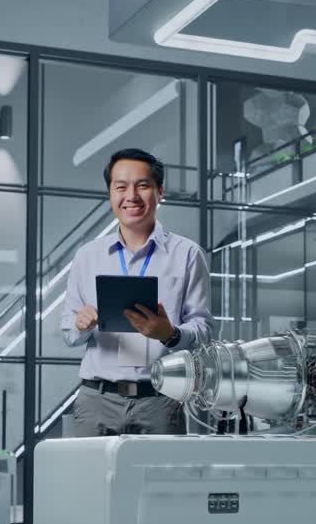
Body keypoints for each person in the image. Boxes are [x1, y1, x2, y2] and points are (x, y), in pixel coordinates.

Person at [61, 148, 213, 436]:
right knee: (88, 481)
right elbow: (68, 332)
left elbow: (204, 329)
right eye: (121, 187)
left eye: (142, 185)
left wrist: (169, 333)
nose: (131, 195)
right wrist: (80, 325)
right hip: (96, 401)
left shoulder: (188, 255)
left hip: (160, 399)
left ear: (160, 192)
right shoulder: (87, 256)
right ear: (110, 194)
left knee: (159, 480)